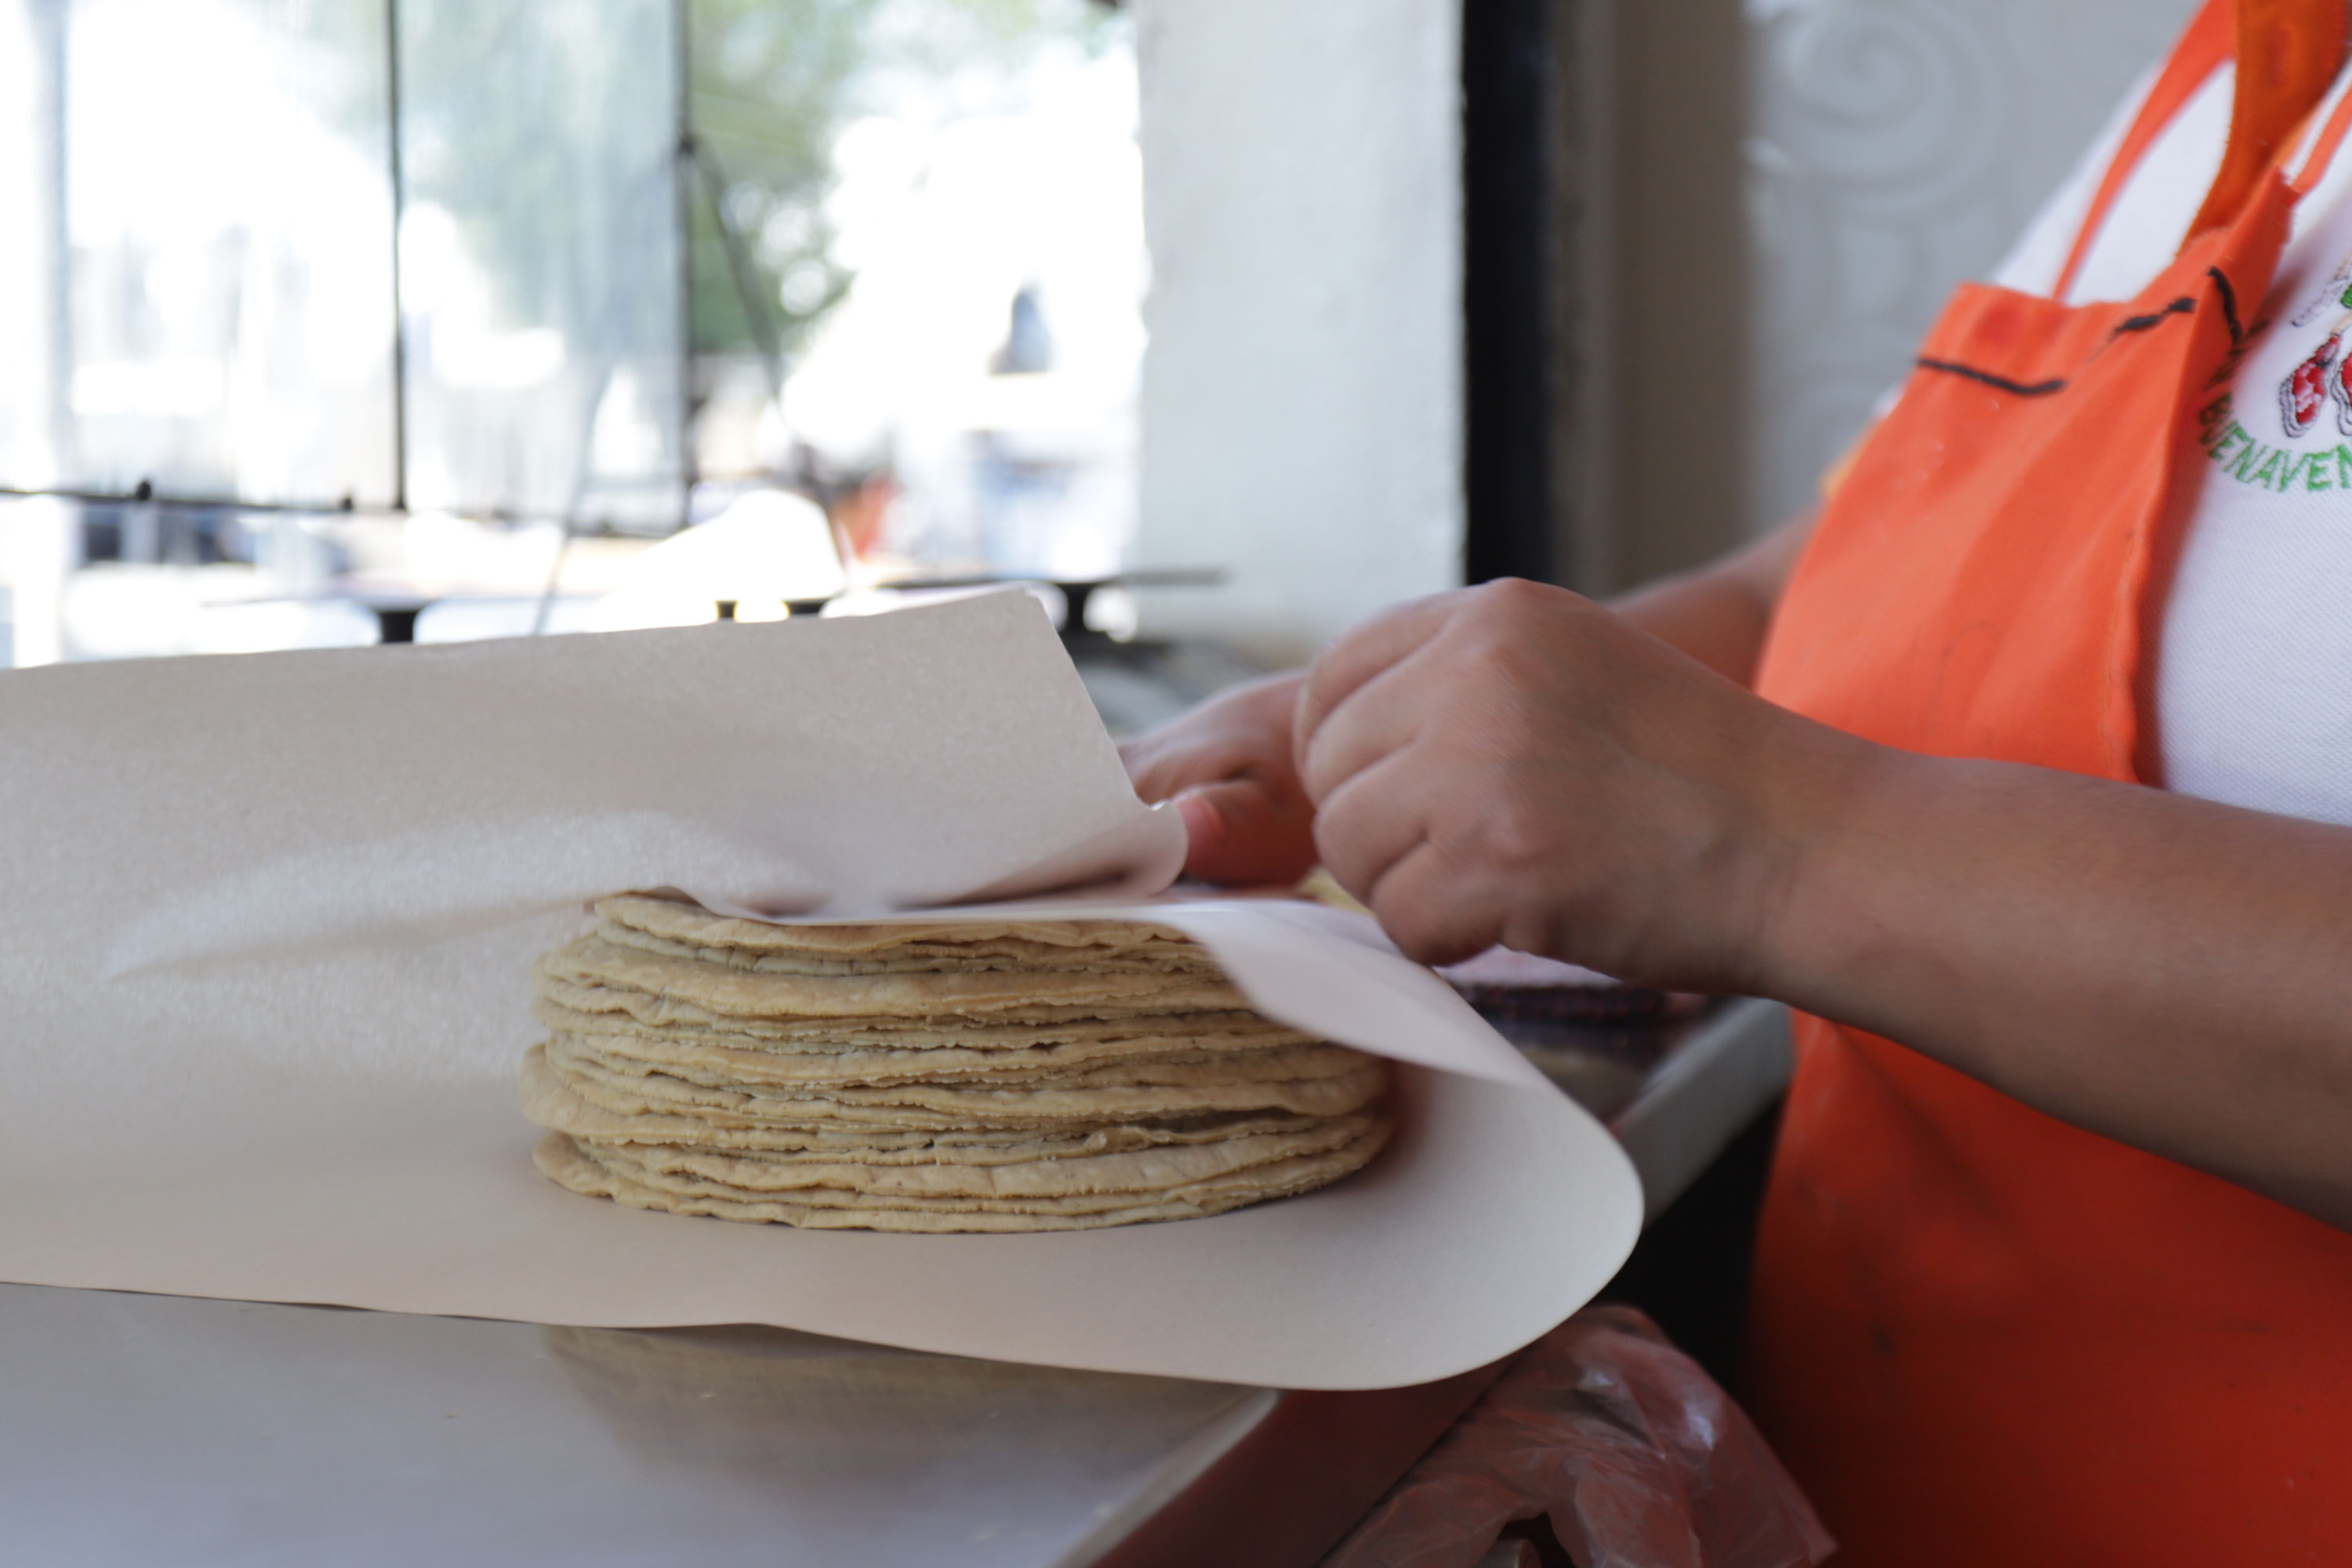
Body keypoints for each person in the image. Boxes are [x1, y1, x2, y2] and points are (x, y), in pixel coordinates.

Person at [1119, 1, 2352, 1560]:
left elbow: (1780, 806)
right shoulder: (2240, 80)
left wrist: (1775, 844)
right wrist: (1385, 715)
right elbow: (1830, 588)